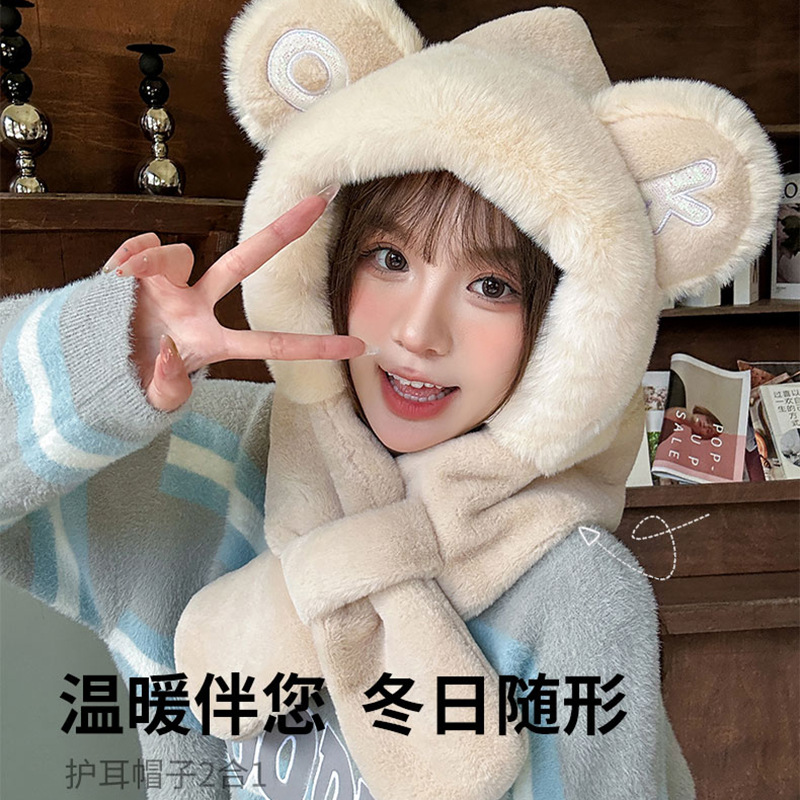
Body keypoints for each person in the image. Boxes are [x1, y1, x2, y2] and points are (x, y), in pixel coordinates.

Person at [1, 2, 782, 799]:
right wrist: (100, 357)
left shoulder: (575, 593)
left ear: (569, 331)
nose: (418, 333)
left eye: (492, 286)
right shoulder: (212, 470)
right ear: (327, 262)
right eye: (389, 257)